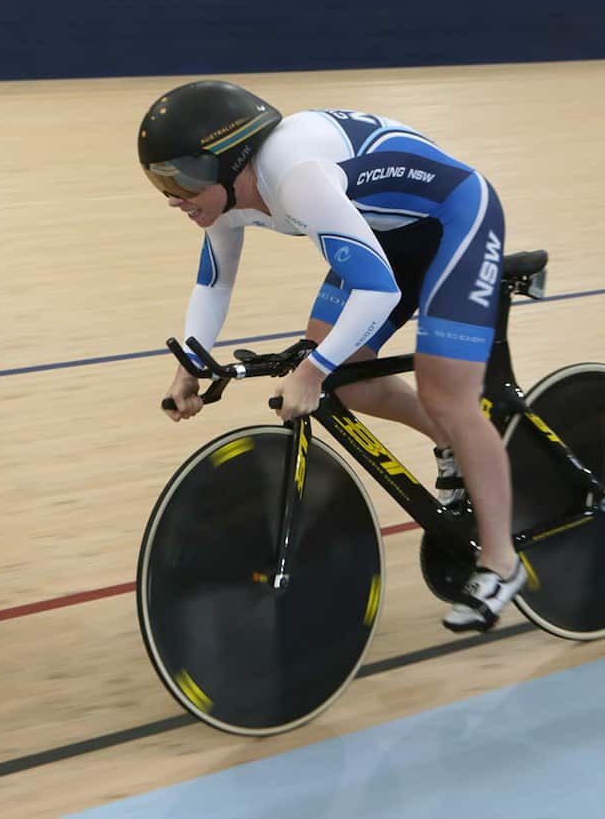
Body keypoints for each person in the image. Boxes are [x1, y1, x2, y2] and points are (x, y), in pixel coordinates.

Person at [138, 79, 524, 633]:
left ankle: (501, 563)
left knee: (445, 392)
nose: (174, 197)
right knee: (353, 381)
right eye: (160, 182)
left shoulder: (297, 179)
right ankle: (453, 446)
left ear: (231, 161)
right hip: (387, 230)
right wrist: (191, 364)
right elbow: (214, 284)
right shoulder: (223, 197)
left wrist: (313, 371)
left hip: (455, 218)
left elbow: (379, 292)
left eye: (181, 179)